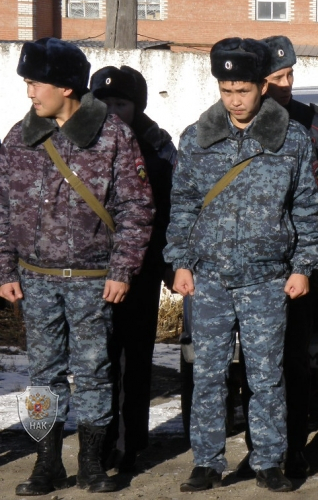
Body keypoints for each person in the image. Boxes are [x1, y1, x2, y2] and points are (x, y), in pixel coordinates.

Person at [164, 37, 318, 493]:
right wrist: (179, 262)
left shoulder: (291, 139)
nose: (235, 100)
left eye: (244, 90)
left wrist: (302, 265)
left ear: (261, 87)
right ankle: (208, 462)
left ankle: (269, 460)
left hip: (266, 279)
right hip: (209, 277)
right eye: (226, 90)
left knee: (266, 375)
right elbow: (183, 204)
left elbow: (308, 206)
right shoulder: (196, 138)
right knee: (208, 374)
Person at [0, 38, 154, 495]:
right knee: (42, 379)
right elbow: (3, 209)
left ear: (66, 87)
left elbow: (136, 208)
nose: (30, 93)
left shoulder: (113, 137)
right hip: (35, 280)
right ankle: (46, 463)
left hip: (92, 283)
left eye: (35, 83)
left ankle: (90, 463)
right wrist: (6, 269)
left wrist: (122, 270)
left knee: (93, 374)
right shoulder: (18, 138)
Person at [232, 35, 318, 480]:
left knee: (293, 363)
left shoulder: (313, 124)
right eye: (276, 77)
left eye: (289, 74)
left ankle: (293, 449)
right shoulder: (233, 122)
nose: (286, 83)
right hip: (247, 270)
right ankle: (259, 448)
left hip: (296, 267)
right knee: (255, 365)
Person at [90, 65, 177, 472]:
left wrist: (166, 262)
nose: (111, 110)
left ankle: (129, 441)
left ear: (137, 105)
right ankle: (97, 440)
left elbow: (170, 211)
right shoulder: (81, 138)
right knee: (94, 359)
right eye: (103, 102)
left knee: (133, 357)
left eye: (120, 103)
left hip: (139, 266)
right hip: (88, 269)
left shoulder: (158, 147)